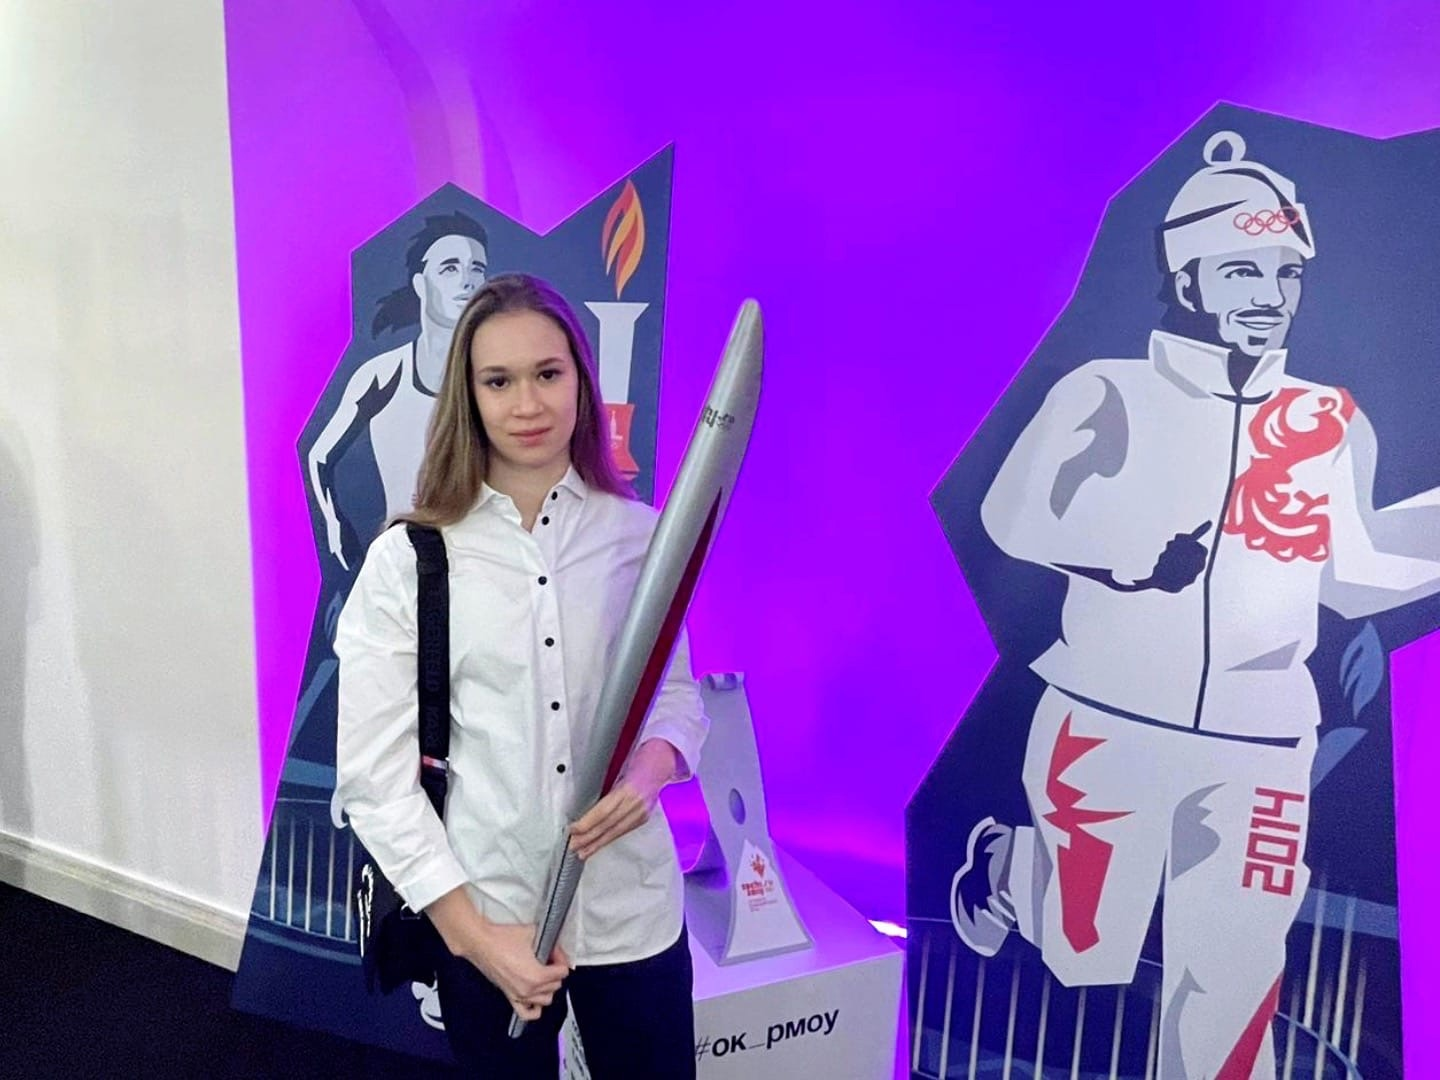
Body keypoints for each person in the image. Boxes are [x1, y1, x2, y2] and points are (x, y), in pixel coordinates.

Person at [949, 132, 1440, 1078]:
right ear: (1189, 279)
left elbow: (1355, 570)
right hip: (1105, 716)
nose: (1271, 293)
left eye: (1287, 273)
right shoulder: (1109, 393)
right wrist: (1132, 559)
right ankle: (1009, 867)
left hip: (1263, 742)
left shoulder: (1325, 421)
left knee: (1234, 974)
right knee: (1082, 946)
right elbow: (1013, 515)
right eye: (1243, 270)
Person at [335, 273, 707, 1077]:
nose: (528, 404)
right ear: (466, 396)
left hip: (632, 910)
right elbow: (372, 778)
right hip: (489, 912)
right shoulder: (409, 559)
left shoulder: (641, 538)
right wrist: (473, 939)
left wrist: (650, 771)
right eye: (498, 381)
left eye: (548, 373)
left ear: (581, 379)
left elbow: (674, 695)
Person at [309, 212, 491, 570]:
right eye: (450, 268)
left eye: (477, 269)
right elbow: (319, 456)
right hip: (401, 567)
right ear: (420, 284)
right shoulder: (385, 374)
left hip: (482, 566)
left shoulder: (497, 380)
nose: (467, 281)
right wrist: (333, 524)